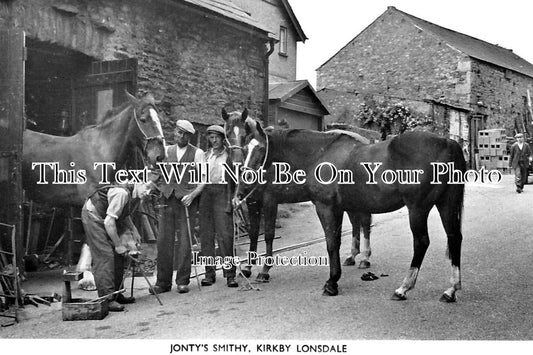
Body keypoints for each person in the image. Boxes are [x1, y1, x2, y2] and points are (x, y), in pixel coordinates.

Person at [151, 120, 205, 294]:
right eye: (178, 133)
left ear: (189, 136)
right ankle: (162, 282)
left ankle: (182, 280)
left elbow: (203, 180)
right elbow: (157, 173)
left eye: (184, 134)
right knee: (163, 241)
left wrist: (192, 195)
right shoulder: (167, 151)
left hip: (186, 202)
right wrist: (154, 187)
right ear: (174, 133)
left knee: (184, 242)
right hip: (167, 200)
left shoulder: (197, 153)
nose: (180, 136)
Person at [81, 181, 153, 312]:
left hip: (107, 217)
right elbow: (109, 222)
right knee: (105, 255)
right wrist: (118, 245)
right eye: (147, 187)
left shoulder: (134, 194)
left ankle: (116, 293)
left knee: (119, 255)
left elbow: (122, 213)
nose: (147, 192)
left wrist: (133, 229)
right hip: (93, 216)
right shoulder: (121, 193)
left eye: (151, 190)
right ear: (139, 183)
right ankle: (107, 299)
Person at [199, 125, 238, 287]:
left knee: (225, 235)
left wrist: (234, 197)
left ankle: (230, 275)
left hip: (223, 193)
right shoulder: (205, 155)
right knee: (206, 236)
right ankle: (209, 274)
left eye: (217, 137)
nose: (213, 140)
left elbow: (236, 180)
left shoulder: (229, 156)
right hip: (206, 194)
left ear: (223, 139)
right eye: (211, 137)